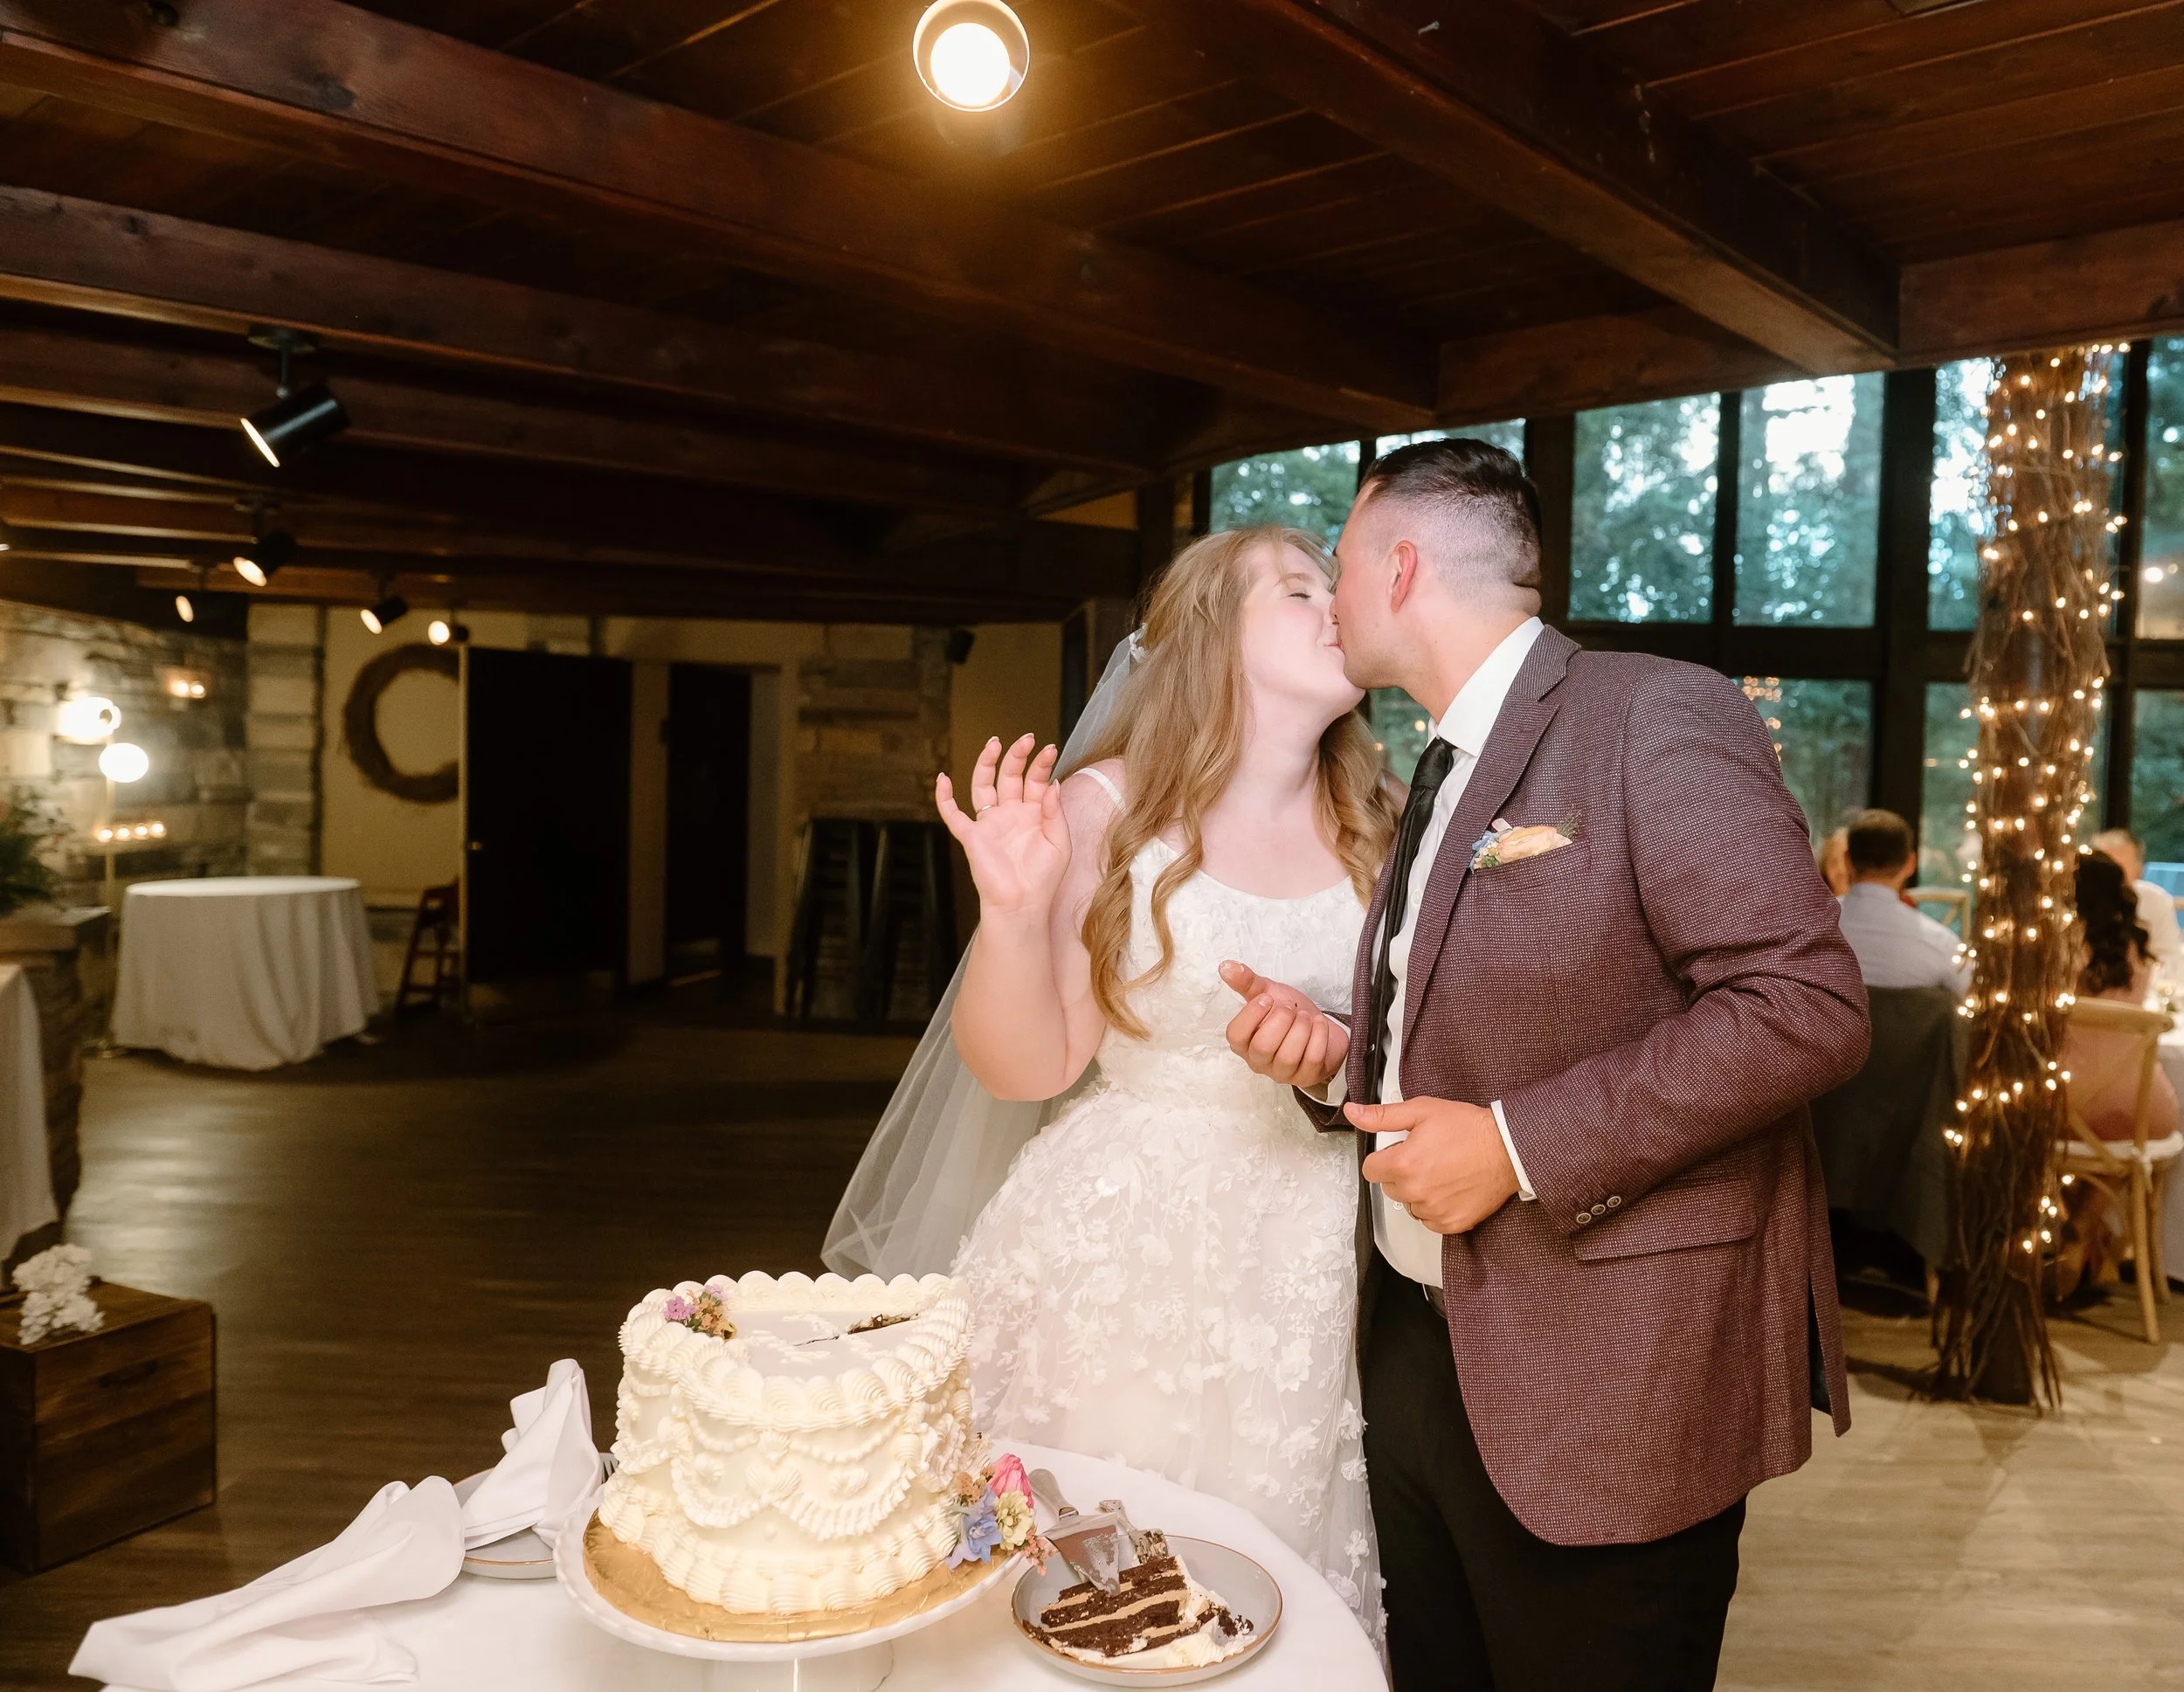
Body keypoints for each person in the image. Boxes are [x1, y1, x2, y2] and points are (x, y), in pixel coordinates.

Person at [1223, 439, 1869, 1692]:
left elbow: (1805, 1004)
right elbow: (1489, 1016)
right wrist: (1336, 1056)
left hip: (1607, 1375)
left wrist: (1517, 1147)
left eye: (1342, 563)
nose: (1334, 598)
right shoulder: (1439, 764)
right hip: (1414, 1354)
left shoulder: (1652, 712)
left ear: (1400, 567)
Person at [923, 525, 1398, 1639]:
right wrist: (1010, 907)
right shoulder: (1107, 806)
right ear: (1208, 635)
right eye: (1297, 587)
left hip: (1311, 1253)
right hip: (1122, 1255)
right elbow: (1025, 1064)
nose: (1334, 603)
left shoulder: (1381, 819)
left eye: (1337, 586)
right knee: (1087, 1591)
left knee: (1270, 1592)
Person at [2063, 849, 2180, 1144]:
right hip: (2143, 1106)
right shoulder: (2134, 951)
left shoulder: (2058, 950)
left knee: (2075, 1149)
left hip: (2067, 1103)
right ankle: (2108, 1188)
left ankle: (2091, 1185)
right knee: (2126, 1155)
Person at [1834, 808, 1970, 996]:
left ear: (1847, 860)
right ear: (1910, 864)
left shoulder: (1807, 930)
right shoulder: (1942, 946)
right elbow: (1971, 1000)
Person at [2091, 827, 2184, 988]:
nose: (2109, 878)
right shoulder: (2073, 904)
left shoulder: (2155, 902)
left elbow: (2172, 963)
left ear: (2139, 871)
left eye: (2117, 870)